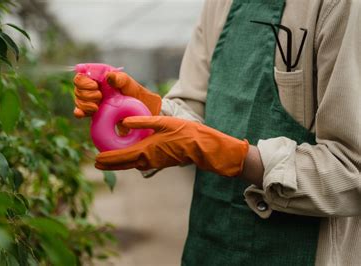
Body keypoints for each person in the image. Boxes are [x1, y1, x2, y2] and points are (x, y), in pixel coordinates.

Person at [73, 0, 361, 265]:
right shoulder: (221, 4)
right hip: (210, 241)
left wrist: (235, 156)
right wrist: (148, 110)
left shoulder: (340, 6)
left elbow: (350, 170)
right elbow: (193, 103)